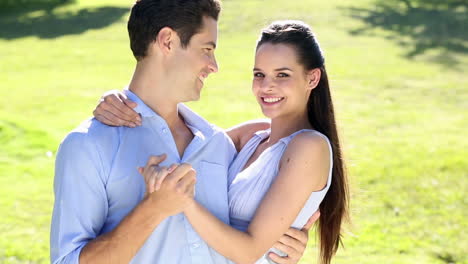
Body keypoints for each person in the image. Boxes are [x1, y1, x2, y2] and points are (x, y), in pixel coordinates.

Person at [51, 1, 312, 263]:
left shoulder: (218, 144)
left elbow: (245, 230)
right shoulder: (88, 145)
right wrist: (153, 209)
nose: (214, 65)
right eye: (206, 49)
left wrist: (280, 242)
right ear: (167, 41)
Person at [95, 20, 349, 264]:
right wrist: (121, 100)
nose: (266, 86)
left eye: (282, 75)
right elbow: (179, 141)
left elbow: (248, 251)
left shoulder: (310, 147)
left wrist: (181, 200)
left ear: (312, 79)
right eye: (259, 74)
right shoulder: (251, 136)